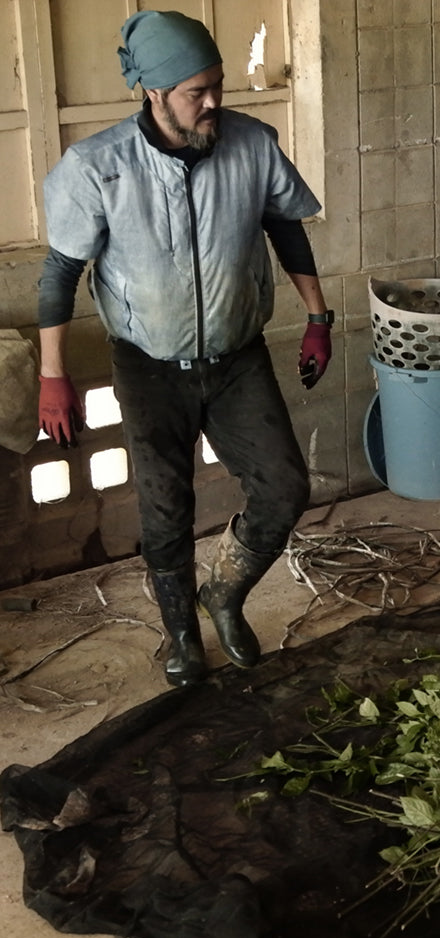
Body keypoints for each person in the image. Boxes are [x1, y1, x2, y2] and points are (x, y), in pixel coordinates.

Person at [34, 10, 334, 688]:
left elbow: (286, 229)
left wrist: (319, 318)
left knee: (284, 488)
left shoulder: (252, 145)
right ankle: (181, 639)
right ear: (153, 90)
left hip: (237, 358)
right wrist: (53, 377)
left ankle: (223, 593)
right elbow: (59, 274)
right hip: (149, 368)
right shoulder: (96, 168)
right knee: (165, 509)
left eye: (218, 86)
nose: (213, 103)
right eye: (196, 92)